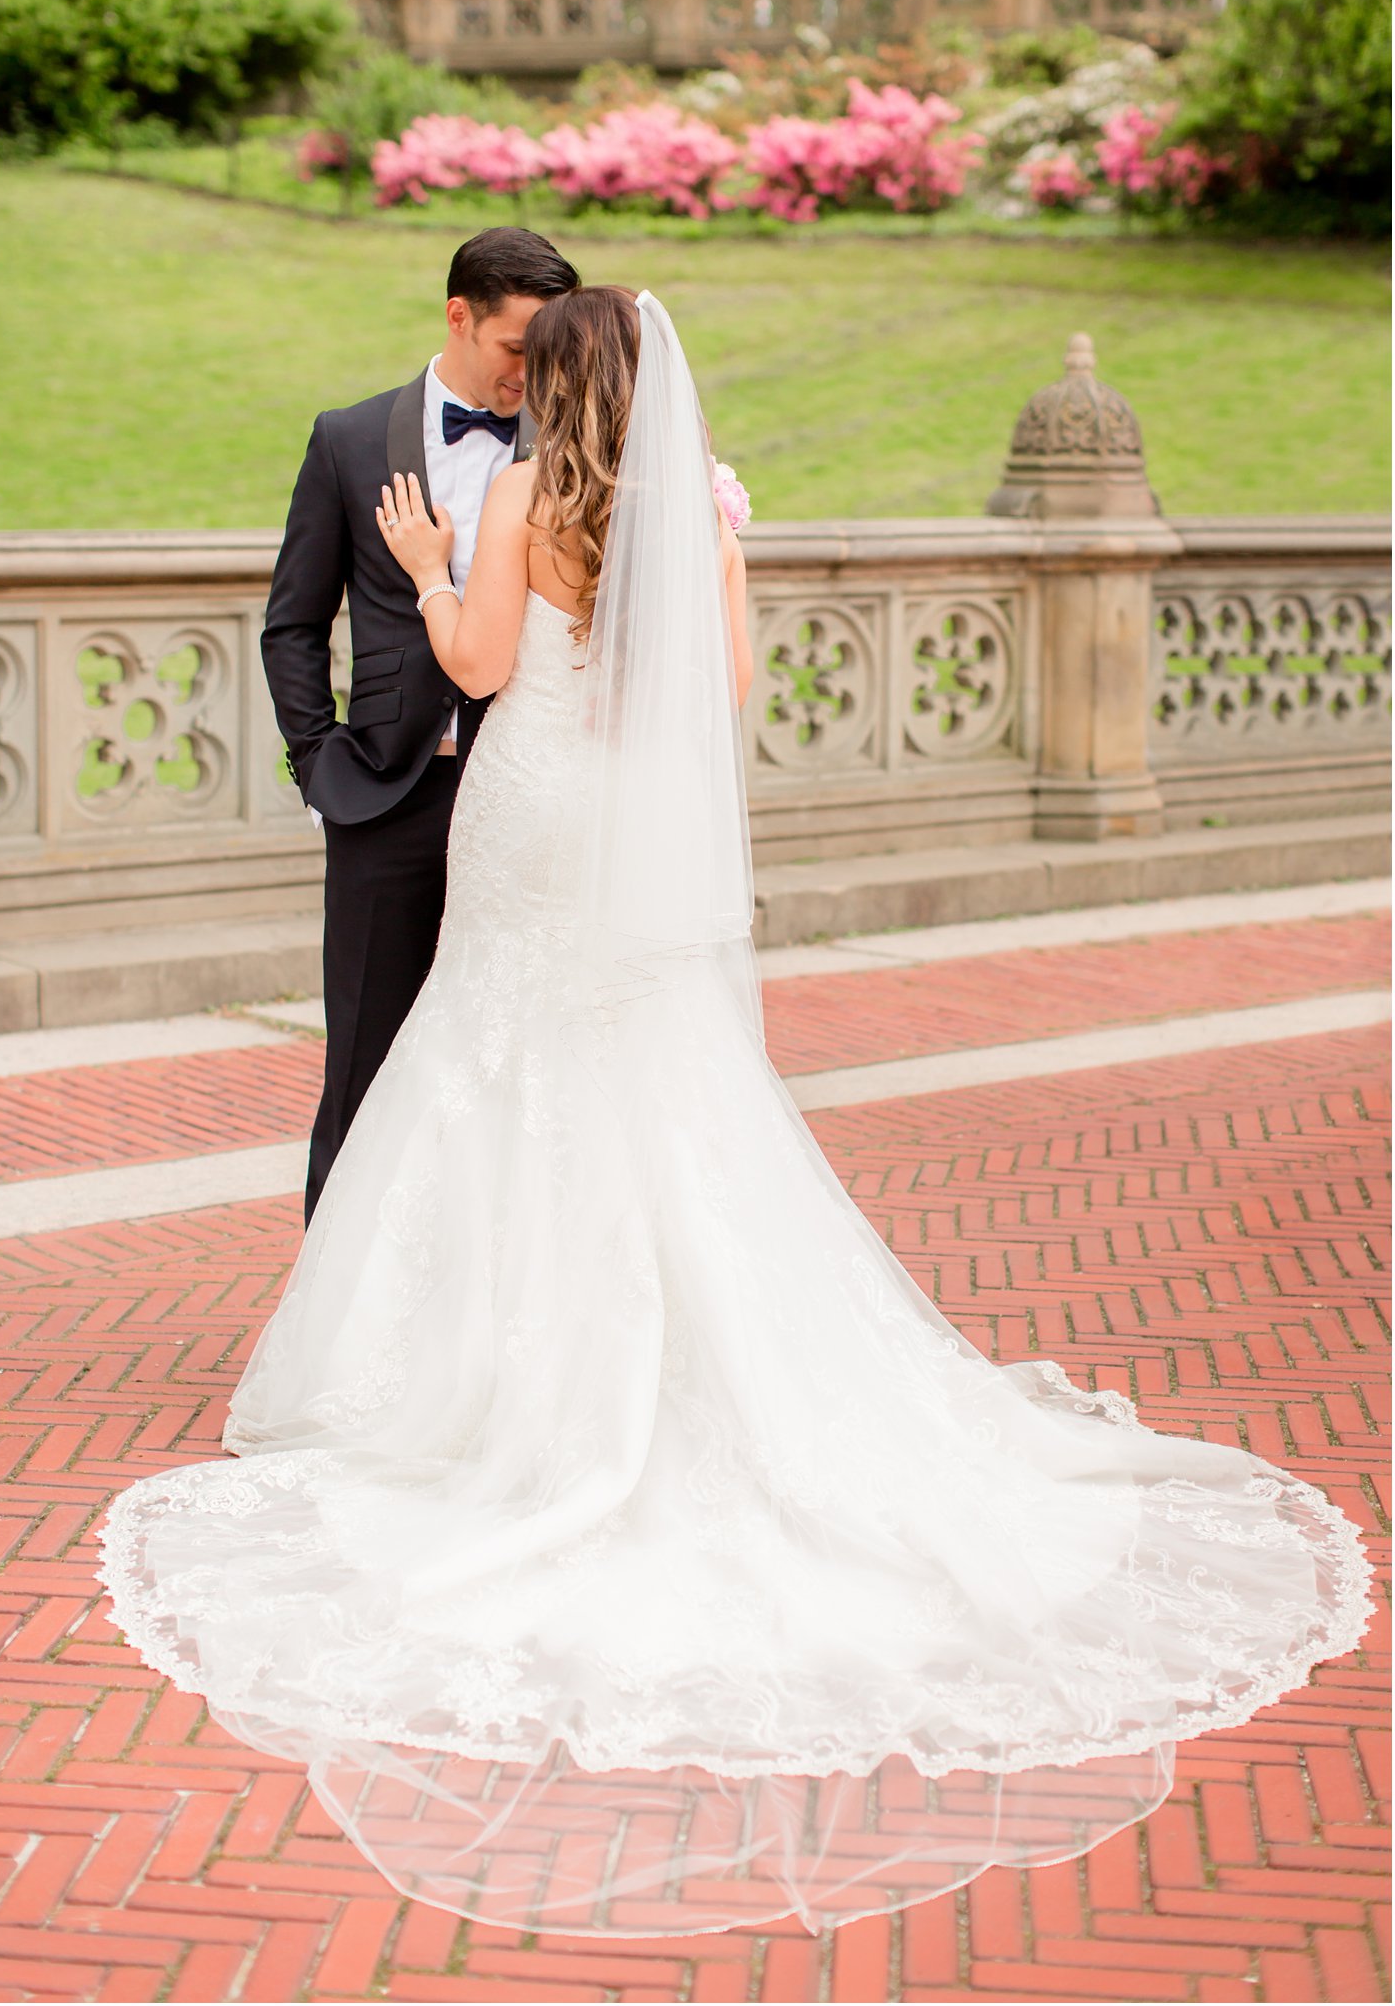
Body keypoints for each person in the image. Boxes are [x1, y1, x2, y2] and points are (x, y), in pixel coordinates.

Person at [99, 290, 1371, 1941]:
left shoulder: (512, 501)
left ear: (556, 384)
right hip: (628, 830)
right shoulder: (698, 509)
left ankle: (475, 1386)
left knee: (495, 1073)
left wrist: (421, 571)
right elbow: (730, 691)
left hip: (529, 819)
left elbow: (477, 665)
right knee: (654, 1086)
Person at [257, 227, 579, 1226]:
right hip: (388, 796)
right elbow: (293, 624)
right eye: (517, 346)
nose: (532, 373)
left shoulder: (571, 449)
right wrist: (320, 768)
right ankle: (332, 1321)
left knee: (516, 1061)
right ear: (459, 315)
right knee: (364, 1059)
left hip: (526, 799)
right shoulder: (349, 439)